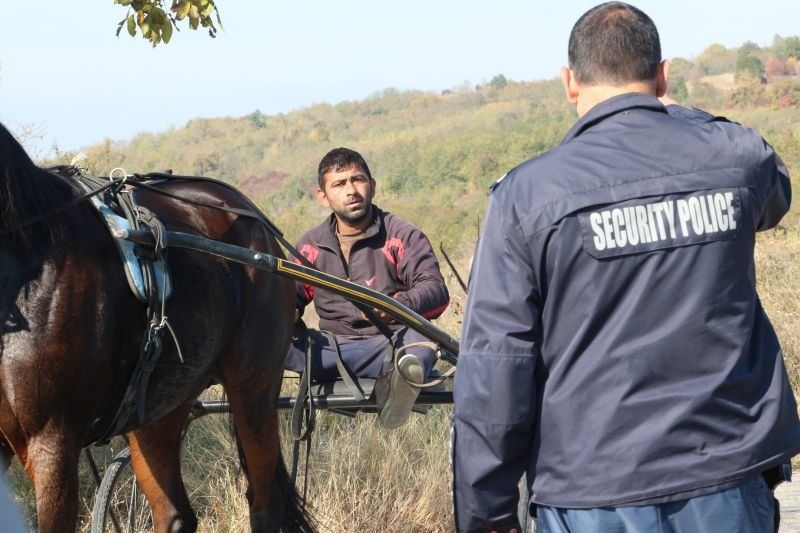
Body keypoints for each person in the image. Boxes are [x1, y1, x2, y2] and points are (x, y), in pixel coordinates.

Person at [452, 3, 799, 532]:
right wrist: (682, 116)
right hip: (726, 473)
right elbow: (776, 189)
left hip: (592, 489)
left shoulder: (526, 196)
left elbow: (496, 365)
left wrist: (487, 515)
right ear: (663, 75)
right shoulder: (733, 158)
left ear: (569, 82)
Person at [284, 147, 449, 429]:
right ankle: (403, 378)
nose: (351, 190)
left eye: (357, 180)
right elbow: (290, 297)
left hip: (390, 345)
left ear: (372, 186)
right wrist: (284, 314)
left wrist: (395, 306)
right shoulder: (310, 245)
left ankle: (402, 379)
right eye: (339, 183)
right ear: (323, 197)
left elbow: (436, 291)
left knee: (422, 340)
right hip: (330, 351)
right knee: (272, 339)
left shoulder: (400, 234)